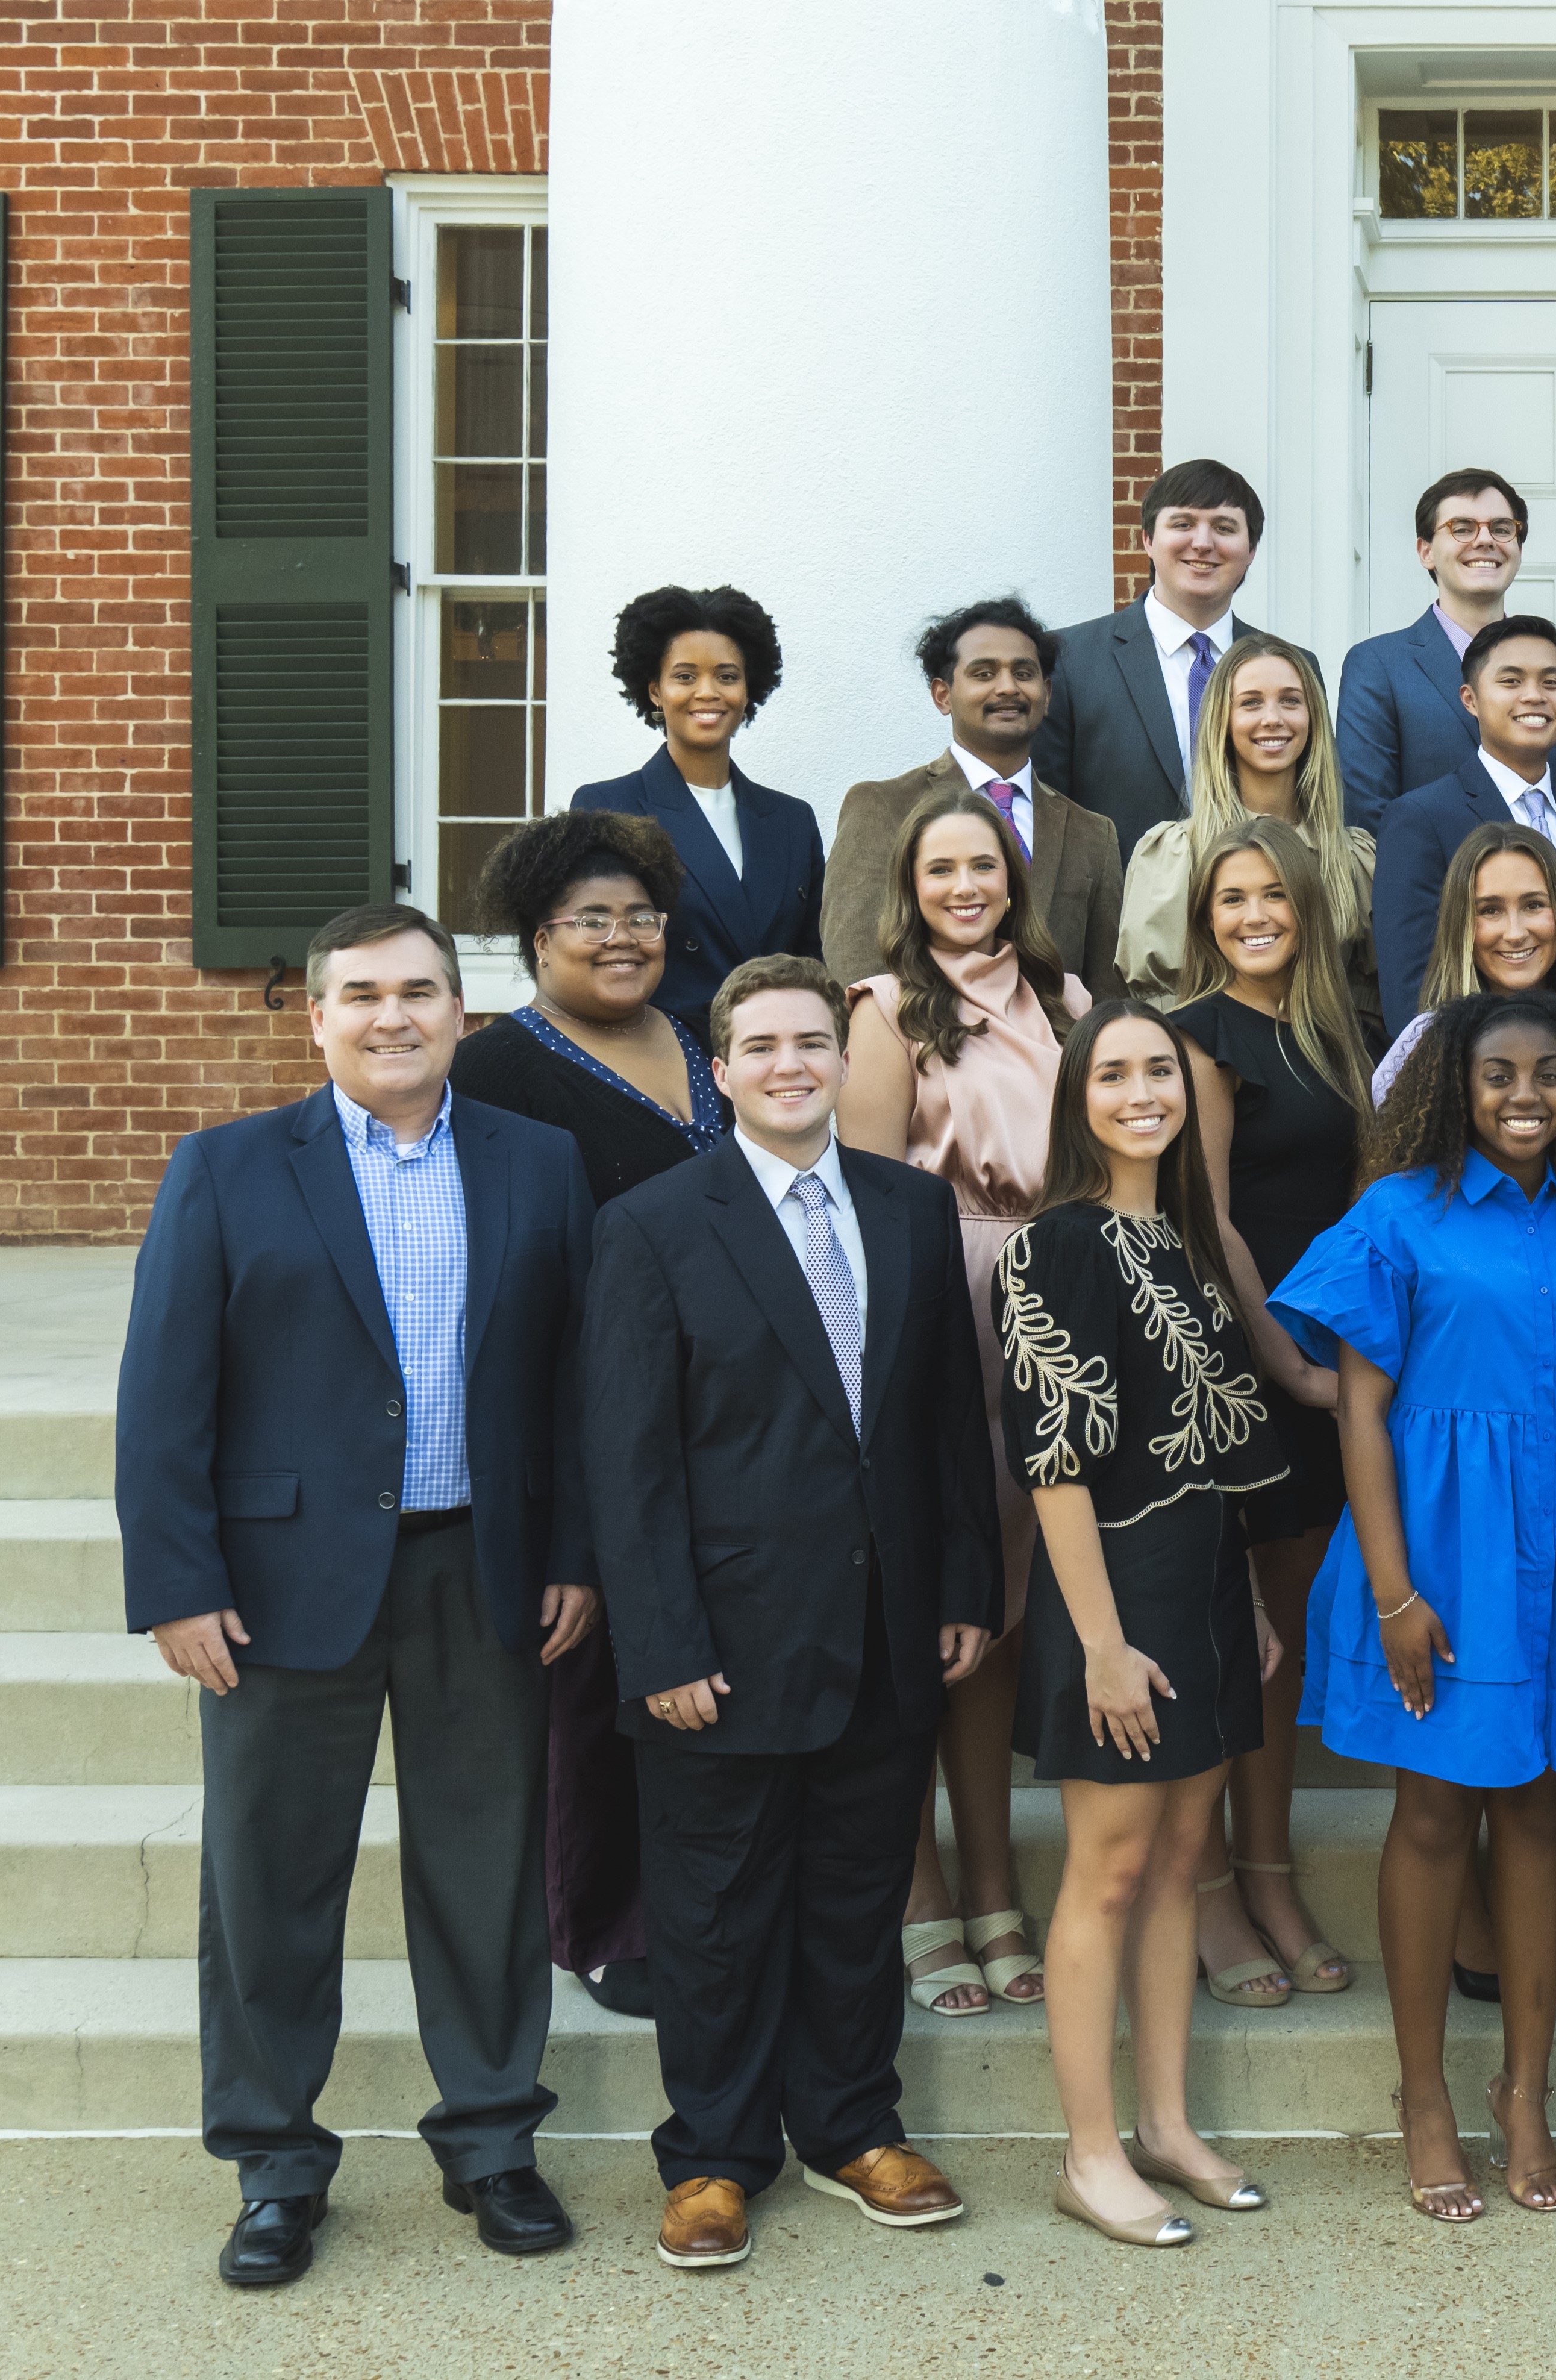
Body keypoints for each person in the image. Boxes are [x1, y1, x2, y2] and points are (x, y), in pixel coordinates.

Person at [116, 901, 599, 2290]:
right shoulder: (225, 1170)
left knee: (489, 1871)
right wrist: (178, 1580)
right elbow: (164, 1398)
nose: (394, 1015)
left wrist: (571, 1549)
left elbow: (572, 1384)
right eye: (365, 994)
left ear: (463, 1012)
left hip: (484, 1564)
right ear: (316, 1016)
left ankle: (493, 2140)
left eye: (422, 991)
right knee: (270, 1879)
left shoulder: (539, 1164)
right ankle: (274, 2164)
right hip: (277, 1585)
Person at [583, 953, 1001, 2272]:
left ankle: (850, 2127)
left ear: (842, 1055)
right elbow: (628, 1455)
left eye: (811, 1041)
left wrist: (967, 1589)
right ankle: (711, 2155)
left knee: (854, 1894)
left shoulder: (909, 1208)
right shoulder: (653, 1222)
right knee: (711, 1915)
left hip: (885, 1628)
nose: (788, 1064)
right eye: (759, 1045)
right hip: (718, 1642)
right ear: (721, 1070)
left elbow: (945, 1422)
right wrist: (658, 1639)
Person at [1267, 989, 1556, 2224]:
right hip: (1437, 1561)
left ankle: (1525, 2093)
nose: (1525, 1096)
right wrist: (1391, 1590)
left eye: (1549, 1074)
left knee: (1545, 1814)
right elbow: (1360, 1409)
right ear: (1456, 1085)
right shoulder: (1399, 1216)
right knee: (1436, 1815)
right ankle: (1426, 2096)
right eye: (1498, 1075)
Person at [1002, 998, 1292, 2246]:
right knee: (1109, 1870)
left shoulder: (1183, 1237)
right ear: (1076, 1098)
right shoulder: (1055, 1245)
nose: (1140, 1092)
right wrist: (1103, 1644)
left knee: (1183, 1860)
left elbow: (1217, 1440)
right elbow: (1054, 1468)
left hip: (1204, 1587)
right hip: (1110, 1598)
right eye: (1112, 1073)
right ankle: (1089, 2151)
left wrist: (1251, 1613)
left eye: (1158, 1072)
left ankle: (1169, 2125)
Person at [449, 813, 734, 2025]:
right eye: (590, 920)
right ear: (535, 937)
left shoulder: (704, 1035)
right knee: (599, 1672)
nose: (621, 939)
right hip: (582, 1393)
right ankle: (602, 1919)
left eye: (640, 916)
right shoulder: (496, 1071)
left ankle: (698, 1899)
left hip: (722, 1396)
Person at [836, 788, 1087, 2021]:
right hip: (943, 1309)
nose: (962, 886)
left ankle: (994, 1877)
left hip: (1055, 1309)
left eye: (981, 864)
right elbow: (876, 1206)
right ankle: (918, 1888)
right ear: (910, 885)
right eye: (939, 868)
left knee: (1002, 1611)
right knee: (934, 1600)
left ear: (1012, 874)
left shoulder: (1070, 1002)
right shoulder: (882, 1014)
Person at [1164, 820, 1373, 2006]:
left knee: (1284, 1642)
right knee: (1215, 1635)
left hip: (1321, 1355)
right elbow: (1212, 1217)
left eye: (1271, 896)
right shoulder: (1198, 1038)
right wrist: (1283, 1365)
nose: (1252, 914)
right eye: (1230, 897)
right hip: (1229, 1358)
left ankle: (1270, 1868)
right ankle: (1204, 1893)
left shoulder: (1347, 1039)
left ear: (1306, 906)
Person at [1371, 615, 1556, 1039]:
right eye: (1512, 682)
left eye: (1552, 683)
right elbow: (1410, 991)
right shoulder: (1419, 821)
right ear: (1471, 699)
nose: (1534, 696)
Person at [823, 597, 1123, 994]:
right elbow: (856, 969)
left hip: (1058, 1051)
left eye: (1023, 673)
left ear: (1047, 694)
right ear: (943, 695)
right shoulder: (881, 809)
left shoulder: (1093, 834)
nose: (1007, 687)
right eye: (983, 674)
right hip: (923, 1046)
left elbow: (1106, 990)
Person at [572, 587, 827, 1032]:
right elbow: (591, 954)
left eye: (727, 677)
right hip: (659, 1058)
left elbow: (815, 958)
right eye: (686, 677)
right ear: (655, 691)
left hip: (773, 1060)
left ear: (749, 690)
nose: (708, 693)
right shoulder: (605, 808)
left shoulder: (792, 820)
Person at [1038, 460, 1301, 847]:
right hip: (1122, 903)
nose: (1203, 543)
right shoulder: (1068, 660)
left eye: (1225, 528)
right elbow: (1047, 813)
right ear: (1147, 539)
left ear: (1251, 550)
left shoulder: (1293, 668)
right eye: (1183, 524)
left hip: (1260, 903)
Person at [1334, 465, 1556, 830]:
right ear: (1426, 552)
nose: (1485, 541)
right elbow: (1369, 818)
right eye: (1462, 529)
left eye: (1501, 529)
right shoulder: (1377, 666)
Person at [1113, 632, 1378, 1007]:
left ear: (1313, 717)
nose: (1273, 719)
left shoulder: (1352, 856)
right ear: (1223, 720)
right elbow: (1159, 1005)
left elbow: (1368, 1002)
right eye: (1251, 703)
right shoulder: (1176, 855)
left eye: (1290, 701)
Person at [1370, 822, 1556, 1104]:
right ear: (1462, 927)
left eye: (1533, 905)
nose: (1515, 933)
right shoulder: (1420, 1047)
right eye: (1490, 910)